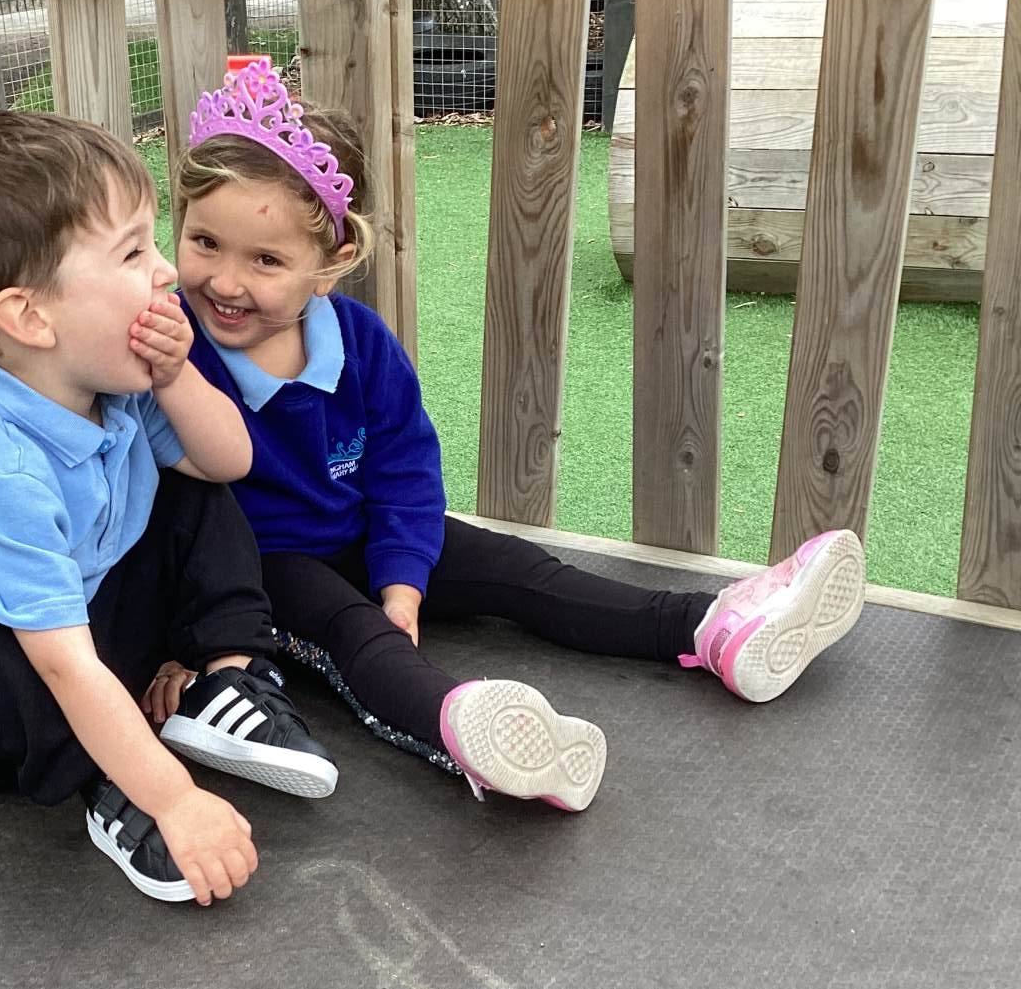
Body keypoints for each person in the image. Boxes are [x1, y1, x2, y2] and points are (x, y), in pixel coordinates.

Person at [143, 57, 865, 813]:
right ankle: (464, 730)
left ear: (333, 263)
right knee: (359, 637)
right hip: (269, 570)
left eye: (266, 259)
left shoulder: (359, 341)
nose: (225, 281)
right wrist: (191, 642)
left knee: (524, 572)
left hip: (365, 532)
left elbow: (404, 470)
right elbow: (152, 513)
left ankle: (711, 628)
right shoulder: (171, 350)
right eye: (204, 242)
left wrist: (403, 580)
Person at [0, 110, 337, 908]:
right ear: (30, 317)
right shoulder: (2, 474)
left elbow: (230, 461)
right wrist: (175, 798)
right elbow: (62, 665)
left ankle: (227, 679)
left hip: (92, 644)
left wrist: (177, 379)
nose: (167, 272)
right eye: (132, 253)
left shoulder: (118, 390)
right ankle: (110, 787)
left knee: (190, 479)